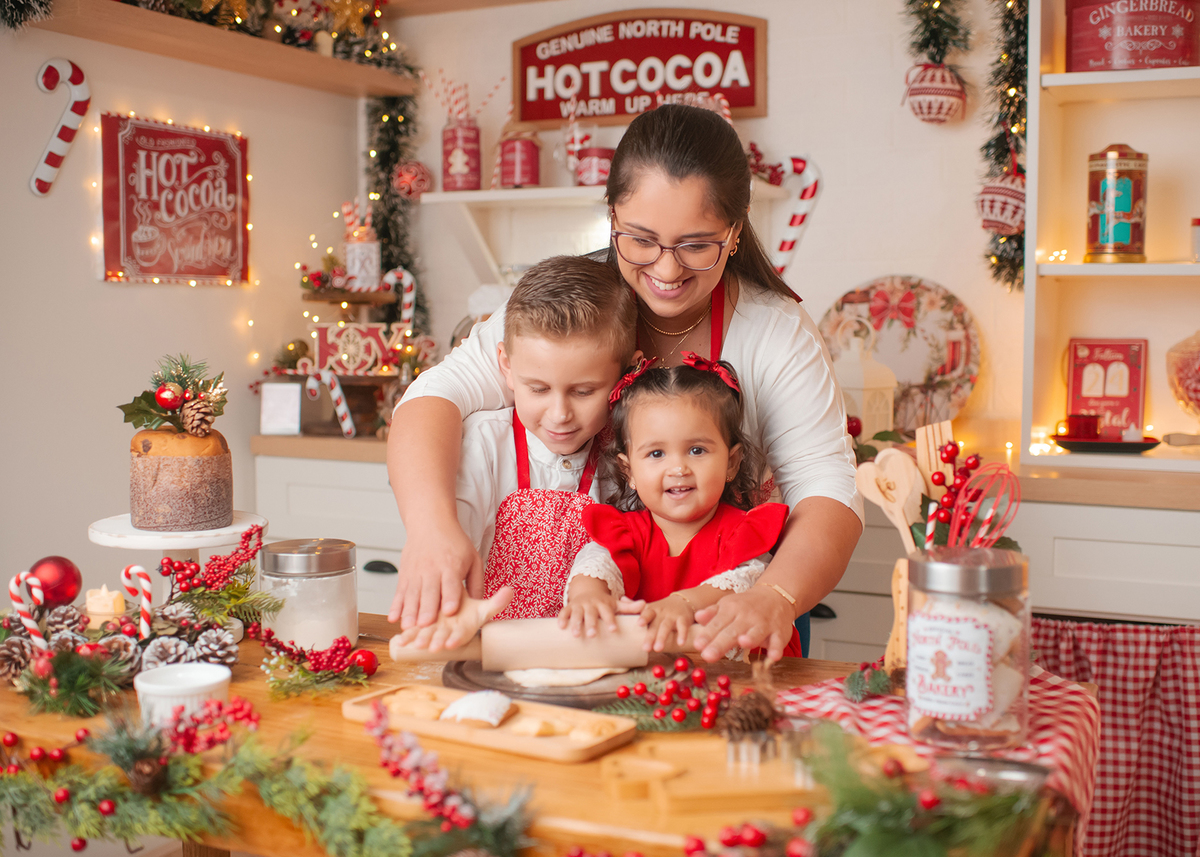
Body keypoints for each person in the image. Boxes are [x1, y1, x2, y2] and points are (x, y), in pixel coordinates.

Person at [388, 103, 863, 661]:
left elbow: (826, 489)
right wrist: (431, 530)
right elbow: (432, 398)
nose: (666, 270)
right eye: (640, 240)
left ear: (735, 232)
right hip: (603, 624)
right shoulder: (569, 306)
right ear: (611, 214)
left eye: (695, 245)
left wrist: (775, 596)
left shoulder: (775, 332)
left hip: (733, 618)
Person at [560, 357, 803, 657]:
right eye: (657, 453)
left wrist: (685, 603)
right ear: (629, 472)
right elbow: (594, 564)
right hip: (652, 685)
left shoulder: (745, 532)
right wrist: (588, 596)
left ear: (731, 463)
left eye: (696, 450)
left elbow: (746, 581)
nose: (678, 468)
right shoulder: (624, 532)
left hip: (743, 683)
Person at [453, 255, 638, 622]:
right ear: (506, 365)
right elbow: (455, 547)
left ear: (627, 373)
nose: (559, 414)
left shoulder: (626, 455)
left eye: (584, 391)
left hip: (593, 651)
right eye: (537, 389)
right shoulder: (484, 444)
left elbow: (631, 540)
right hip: (491, 649)